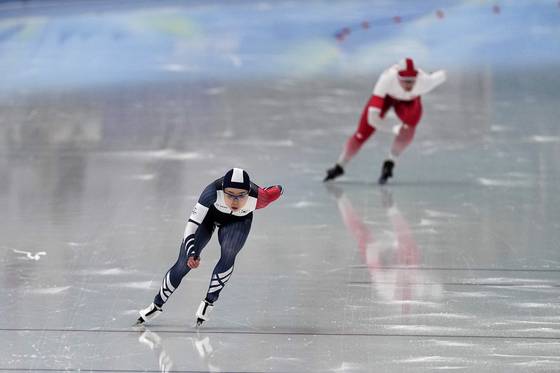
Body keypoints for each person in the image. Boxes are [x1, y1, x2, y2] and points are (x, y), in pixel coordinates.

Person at [136, 168, 283, 326]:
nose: (235, 201)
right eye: (230, 194)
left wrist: (278, 190)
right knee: (184, 261)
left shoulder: (261, 198)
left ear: (249, 193)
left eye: (241, 196)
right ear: (222, 190)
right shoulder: (211, 192)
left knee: (229, 252)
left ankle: (209, 301)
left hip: (238, 222)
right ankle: (156, 305)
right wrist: (192, 253)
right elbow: (191, 227)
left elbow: (277, 189)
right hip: (209, 218)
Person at [324, 58, 446, 184]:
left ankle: (390, 162)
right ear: (398, 78)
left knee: (409, 126)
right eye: (405, 81)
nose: (409, 85)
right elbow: (372, 119)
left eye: (412, 81)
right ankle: (340, 165)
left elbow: (443, 74)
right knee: (362, 133)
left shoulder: (425, 81)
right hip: (386, 97)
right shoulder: (386, 79)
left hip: (409, 102)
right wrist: (394, 128)